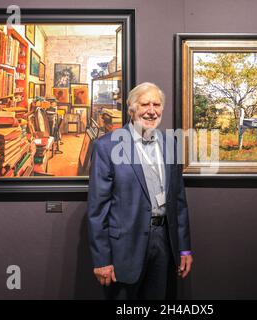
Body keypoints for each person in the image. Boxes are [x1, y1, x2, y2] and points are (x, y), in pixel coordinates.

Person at [87, 82, 193, 300]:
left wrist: (184, 249)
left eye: (157, 104)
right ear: (132, 108)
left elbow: (179, 201)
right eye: (145, 104)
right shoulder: (107, 147)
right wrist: (101, 259)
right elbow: (98, 209)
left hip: (164, 243)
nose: (151, 111)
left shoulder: (170, 143)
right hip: (123, 249)